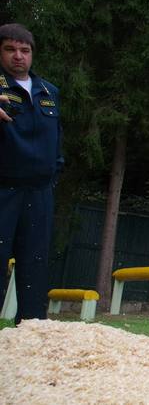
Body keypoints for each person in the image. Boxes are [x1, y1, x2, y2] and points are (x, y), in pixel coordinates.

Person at [0, 23, 63, 325]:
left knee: (34, 266)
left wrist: (54, 172)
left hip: (39, 193)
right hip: (4, 189)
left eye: (24, 50)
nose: (18, 56)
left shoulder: (48, 92)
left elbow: (57, 140)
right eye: (10, 49)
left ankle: (30, 334)